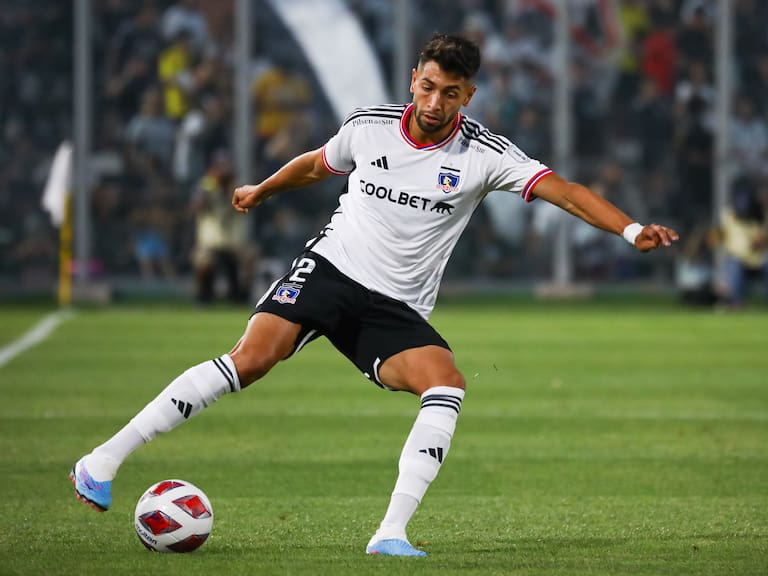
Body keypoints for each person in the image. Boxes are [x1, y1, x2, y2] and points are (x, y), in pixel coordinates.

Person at [70, 33, 678, 557]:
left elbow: (565, 191)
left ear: (468, 96)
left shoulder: (484, 155)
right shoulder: (369, 126)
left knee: (446, 383)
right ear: (414, 79)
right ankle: (102, 461)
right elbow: (317, 164)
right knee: (249, 361)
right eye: (428, 87)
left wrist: (630, 230)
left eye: (451, 93)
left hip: (395, 307)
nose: (435, 102)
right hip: (331, 268)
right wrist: (261, 190)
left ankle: (390, 532)